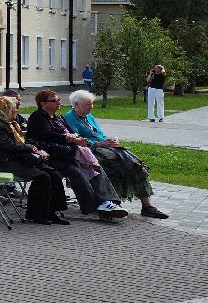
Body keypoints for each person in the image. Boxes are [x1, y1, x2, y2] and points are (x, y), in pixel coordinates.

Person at [26, 90, 128, 222]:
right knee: (76, 172)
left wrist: (79, 139)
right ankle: (96, 206)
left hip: (68, 154)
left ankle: (110, 202)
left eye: (58, 100)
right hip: (51, 156)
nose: (59, 102)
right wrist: (70, 139)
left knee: (95, 168)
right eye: (54, 100)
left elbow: (72, 133)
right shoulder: (38, 117)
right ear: (43, 104)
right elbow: (48, 136)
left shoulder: (58, 118)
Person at [63, 90, 168, 219]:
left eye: (92, 104)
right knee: (114, 166)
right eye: (88, 105)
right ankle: (110, 204)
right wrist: (99, 144)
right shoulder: (69, 118)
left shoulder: (88, 115)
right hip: (88, 152)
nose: (91, 107)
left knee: (135, 166)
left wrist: (109, 140)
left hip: (104, 148)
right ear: (76, 105)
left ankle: (147, 206)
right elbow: (77, 140)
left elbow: (99, 134)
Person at [0, 95, 70, 225]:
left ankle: (51, 212)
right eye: (14, 107)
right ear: (5, 108)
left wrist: (35, 149)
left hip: (18, 158)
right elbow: (8, 146)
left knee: (54, 174)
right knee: (42, 177)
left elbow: (20, 142)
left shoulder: (8, 121)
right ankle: (36, 214)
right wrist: (30, 148)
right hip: (5, 161)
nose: (16, 110)